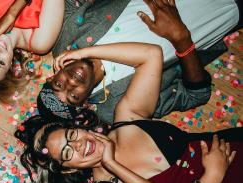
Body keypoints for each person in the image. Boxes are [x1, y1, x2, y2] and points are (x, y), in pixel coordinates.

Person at [16, 42, 242, 183]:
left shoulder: (126, 117)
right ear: (68, 169)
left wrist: (84, 53)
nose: (79, 144)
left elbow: (150, 55)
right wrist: (214, 174)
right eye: (67, 152)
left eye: (72, 135)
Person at [37, 0, 239, 124]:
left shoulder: (62, 36)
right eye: (72, 96)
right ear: (82, 105)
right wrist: (182, 40)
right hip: (228, 9)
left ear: (52, 75)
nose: (71, 83)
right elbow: (196, 96)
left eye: (58, 84)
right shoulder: (117, 107)